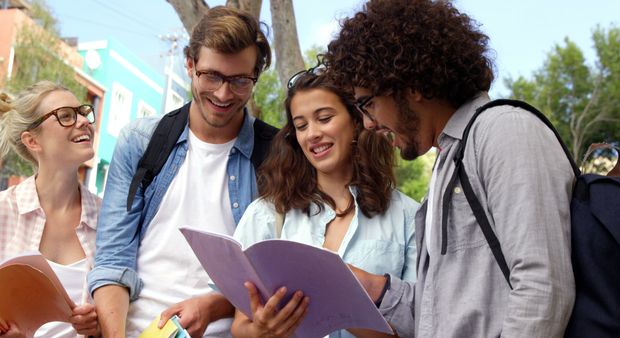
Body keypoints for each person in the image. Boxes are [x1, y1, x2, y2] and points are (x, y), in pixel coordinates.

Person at [323, 0, 576, 337]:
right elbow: (443, 315)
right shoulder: (449, 159)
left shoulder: (503, 130)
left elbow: (543, 289)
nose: (368, 124)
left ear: (409, 85)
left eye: (368, 104)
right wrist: (371, 288)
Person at [87, 6, 274, 338]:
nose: (223, 93)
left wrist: (213, 306)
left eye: (239, 81)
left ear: (255, 78)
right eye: (212, 76)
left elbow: (278, 276)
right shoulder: (140, 141)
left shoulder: (276, 155)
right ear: (189, 64)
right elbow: (114, 259)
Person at [230, 70, 419, 338]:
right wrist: (261, 331)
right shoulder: (267, 213)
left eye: (324, 118)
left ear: (356, 121)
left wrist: (338, 302)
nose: (312, 134)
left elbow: (422, 325)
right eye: (301, 125)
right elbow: (240, 326)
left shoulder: (409, 217)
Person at [0, 81, 101, 338]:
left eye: (82, 113)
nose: (83, 121)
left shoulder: (109, 221)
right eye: (66, 116)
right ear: (32, 140)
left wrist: (99, 326)